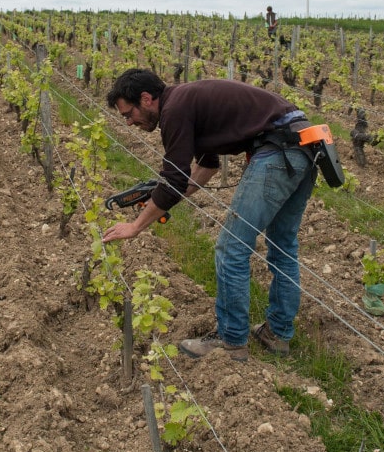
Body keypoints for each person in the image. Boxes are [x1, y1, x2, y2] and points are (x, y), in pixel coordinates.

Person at [103, 68, 317, 362]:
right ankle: (277, 334)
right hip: (304, 145)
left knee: (231, 249)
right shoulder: (185, 101)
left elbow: (174, 177)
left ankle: (231, 341)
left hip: (278, 151)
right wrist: (166, 197)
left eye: (129, 113)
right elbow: (207, 166)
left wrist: (135, 226)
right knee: (283, 246)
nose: (128, 122)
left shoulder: (174, 110)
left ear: (146, 98)